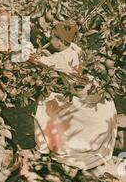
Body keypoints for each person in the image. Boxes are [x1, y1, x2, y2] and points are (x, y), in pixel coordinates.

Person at [31, 21, 118, 170]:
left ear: (60, 42)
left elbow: (40, 61)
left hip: (81, 97)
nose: (49, 40)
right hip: (93, 92)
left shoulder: (62, 58)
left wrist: (28, 53)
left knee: (44, 101)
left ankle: (43, 147)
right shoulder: (75, 49)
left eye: (52, 38)